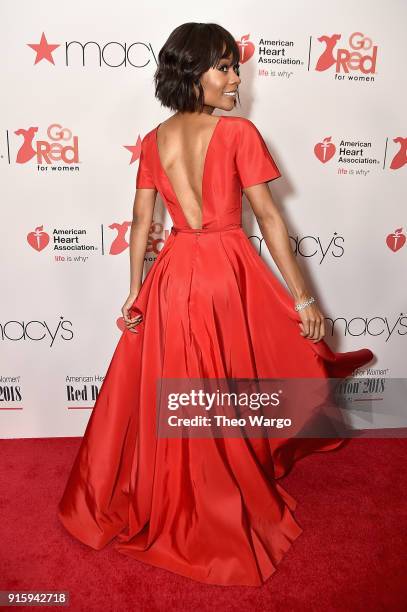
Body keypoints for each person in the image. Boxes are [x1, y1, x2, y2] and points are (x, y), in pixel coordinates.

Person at [57, 22, 374, 587]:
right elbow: (271, 220)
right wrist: (302, 297)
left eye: (235, 66)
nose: (235, 78)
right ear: (191, 73)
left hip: (175, 273)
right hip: (226, 272)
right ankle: (217, 499)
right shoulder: (239, 134)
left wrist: (135, 288)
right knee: (225, 382)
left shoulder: (155, 139)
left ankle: (185, 491)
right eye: (223, 68)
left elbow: (141, 222)